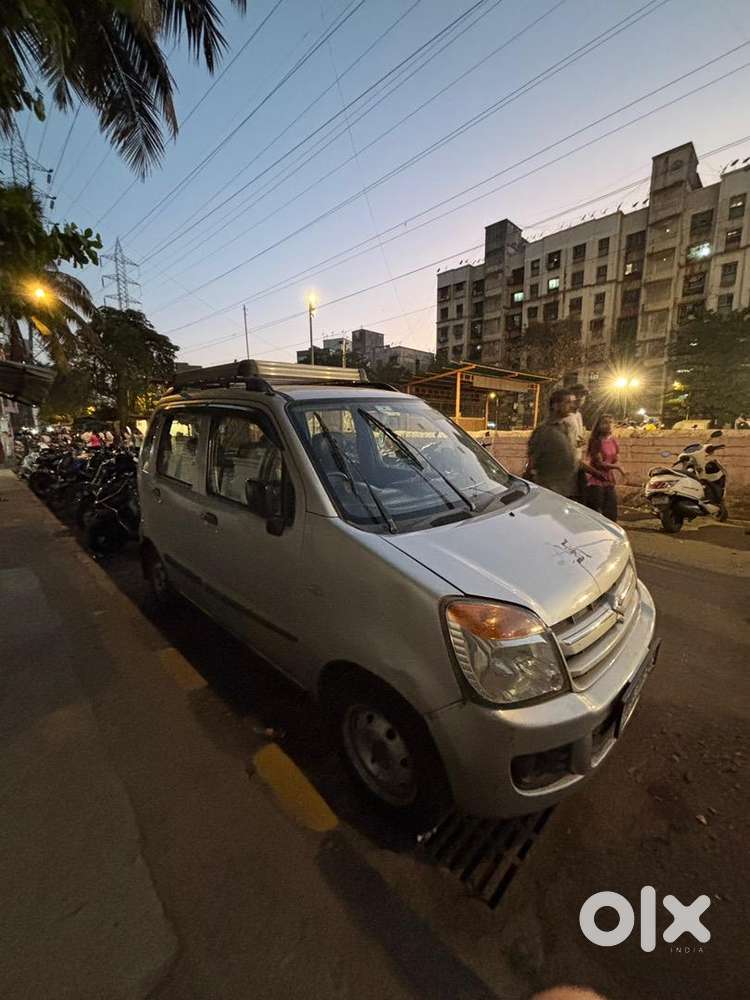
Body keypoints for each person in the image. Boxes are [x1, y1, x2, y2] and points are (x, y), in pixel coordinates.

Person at [527, 389, 577, 497]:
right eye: (568, 402)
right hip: (549, 488)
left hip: (566, 488)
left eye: (573, 402)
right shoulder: (544, 430)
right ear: (555, 405)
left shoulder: (567, 427)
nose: (572, 406)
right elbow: (532, 461)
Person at [585, 413, 624, 522]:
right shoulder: (595, 441)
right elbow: (599, 463)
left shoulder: (613, 441)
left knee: (611, 513)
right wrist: (618, 468)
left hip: (609, 480)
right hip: (596, 479)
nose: (608, 425)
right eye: (605, 423)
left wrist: (616, 466)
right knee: (596, 512)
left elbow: (616, 458)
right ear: (598, 426)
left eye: (610, 422)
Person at [562, 383, 588, 499]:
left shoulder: (578, 415)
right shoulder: (564, 416)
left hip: (576, 464)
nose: (580, 398)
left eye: (582, 395)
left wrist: (581, 442)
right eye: (577, 395)